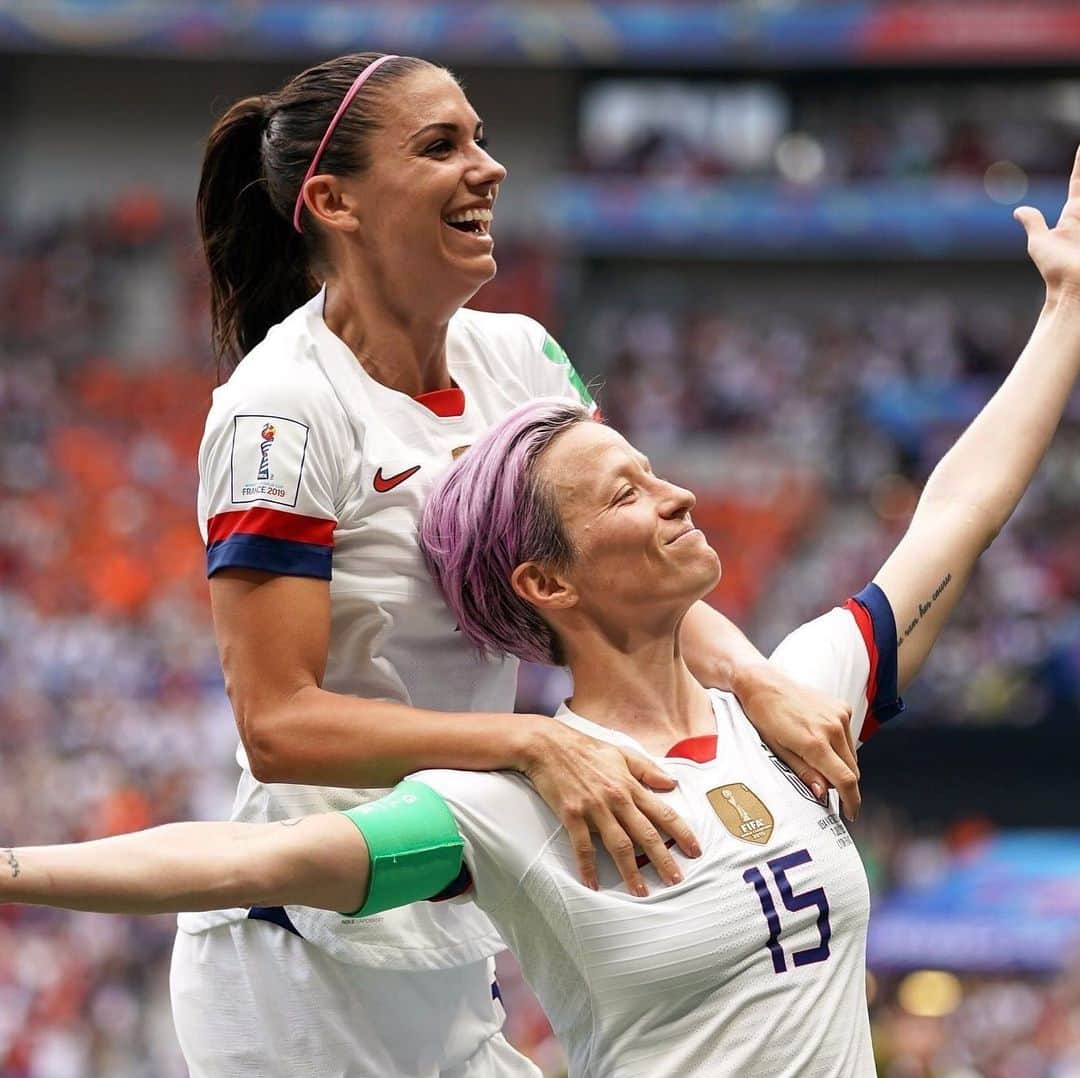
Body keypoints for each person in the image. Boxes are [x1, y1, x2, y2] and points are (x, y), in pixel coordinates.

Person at [4, 157, 1079, 1075]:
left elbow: (960, 513)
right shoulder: (516, 802)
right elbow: (247, 865)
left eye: (654, 471)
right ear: (545, 583)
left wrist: (1066, 310)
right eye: (625, 492)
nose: (679, 495)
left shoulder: (791, 706)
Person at [181, 49, 857, 1076]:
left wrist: (756, 680)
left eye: (483, 138)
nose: (488, 168)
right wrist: (527, 745)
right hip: (296, 961)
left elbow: (636, 557)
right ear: (333, 200)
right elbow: (278, 726)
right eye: (441, 146)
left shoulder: (526, 357)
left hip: (442, 928)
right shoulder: (280, 411)